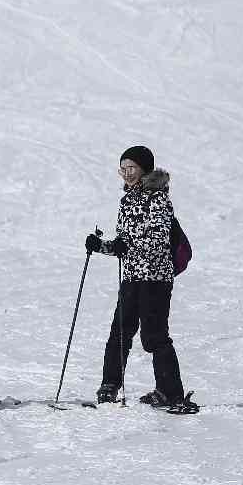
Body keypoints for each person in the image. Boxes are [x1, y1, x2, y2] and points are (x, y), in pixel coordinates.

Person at [84, 146, 196, 413]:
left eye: (131, 167)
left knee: (154, 337)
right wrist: (101, 246)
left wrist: (128, 247)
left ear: (144, 168)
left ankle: (171, 393)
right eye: (123, 168)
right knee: (119, 333)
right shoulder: (127, 201)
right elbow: (124, 243)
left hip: (155, 278)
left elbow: (157, 240)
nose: (126, 173)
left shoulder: (158, 199)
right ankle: (109, 386)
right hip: (133, 277)